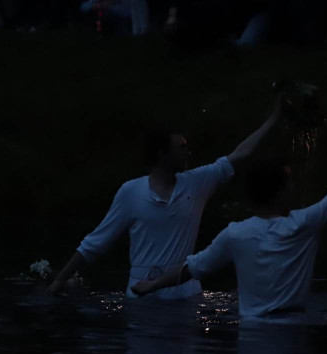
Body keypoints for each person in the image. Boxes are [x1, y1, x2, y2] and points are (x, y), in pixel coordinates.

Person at [131, 124, 327, 316]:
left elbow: (189, 269)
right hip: (291, 333)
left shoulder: (235, 234)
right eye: (288, 184)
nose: (293, 188)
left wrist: (151, 285)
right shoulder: (304, 223)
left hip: (253, 335)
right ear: (278, 192)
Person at [46, 96, 284, 298]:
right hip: (141, 292)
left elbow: (241, 153)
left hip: (185, 291)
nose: (188, 152)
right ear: (161, 154)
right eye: (181, 147)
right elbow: (94, 244)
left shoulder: (197, 181)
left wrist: (275, 118)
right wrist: (59, 281)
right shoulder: (131, 192)